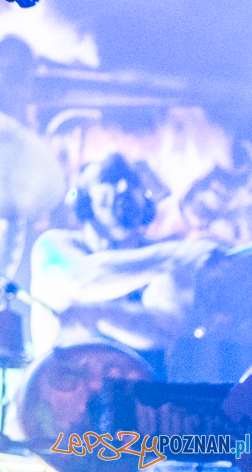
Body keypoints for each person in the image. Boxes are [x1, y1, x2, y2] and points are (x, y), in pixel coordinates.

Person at [31, 153, 219, 376]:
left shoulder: (165, 261)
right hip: (61, 387)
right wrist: (175, 256)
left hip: (138, 394)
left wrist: (97, 316)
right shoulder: (52, 245)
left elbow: (165, 329)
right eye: (109, 178)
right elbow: (82, 280)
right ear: (83, 199)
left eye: (133, 182)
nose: (124, 188)